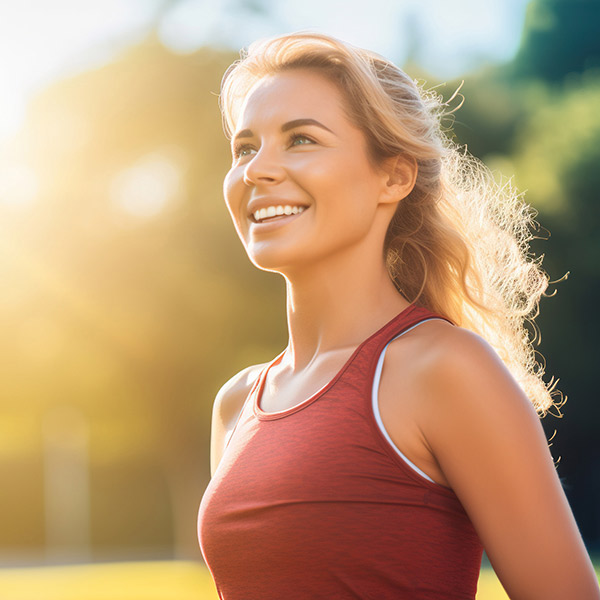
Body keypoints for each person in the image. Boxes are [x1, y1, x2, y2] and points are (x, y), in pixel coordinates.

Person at [197, 31, 600, 599]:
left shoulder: (442, 369)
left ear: (394, 176)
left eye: (302, 140)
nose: (257, 171)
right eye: (245, 148)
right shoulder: (236, 405)